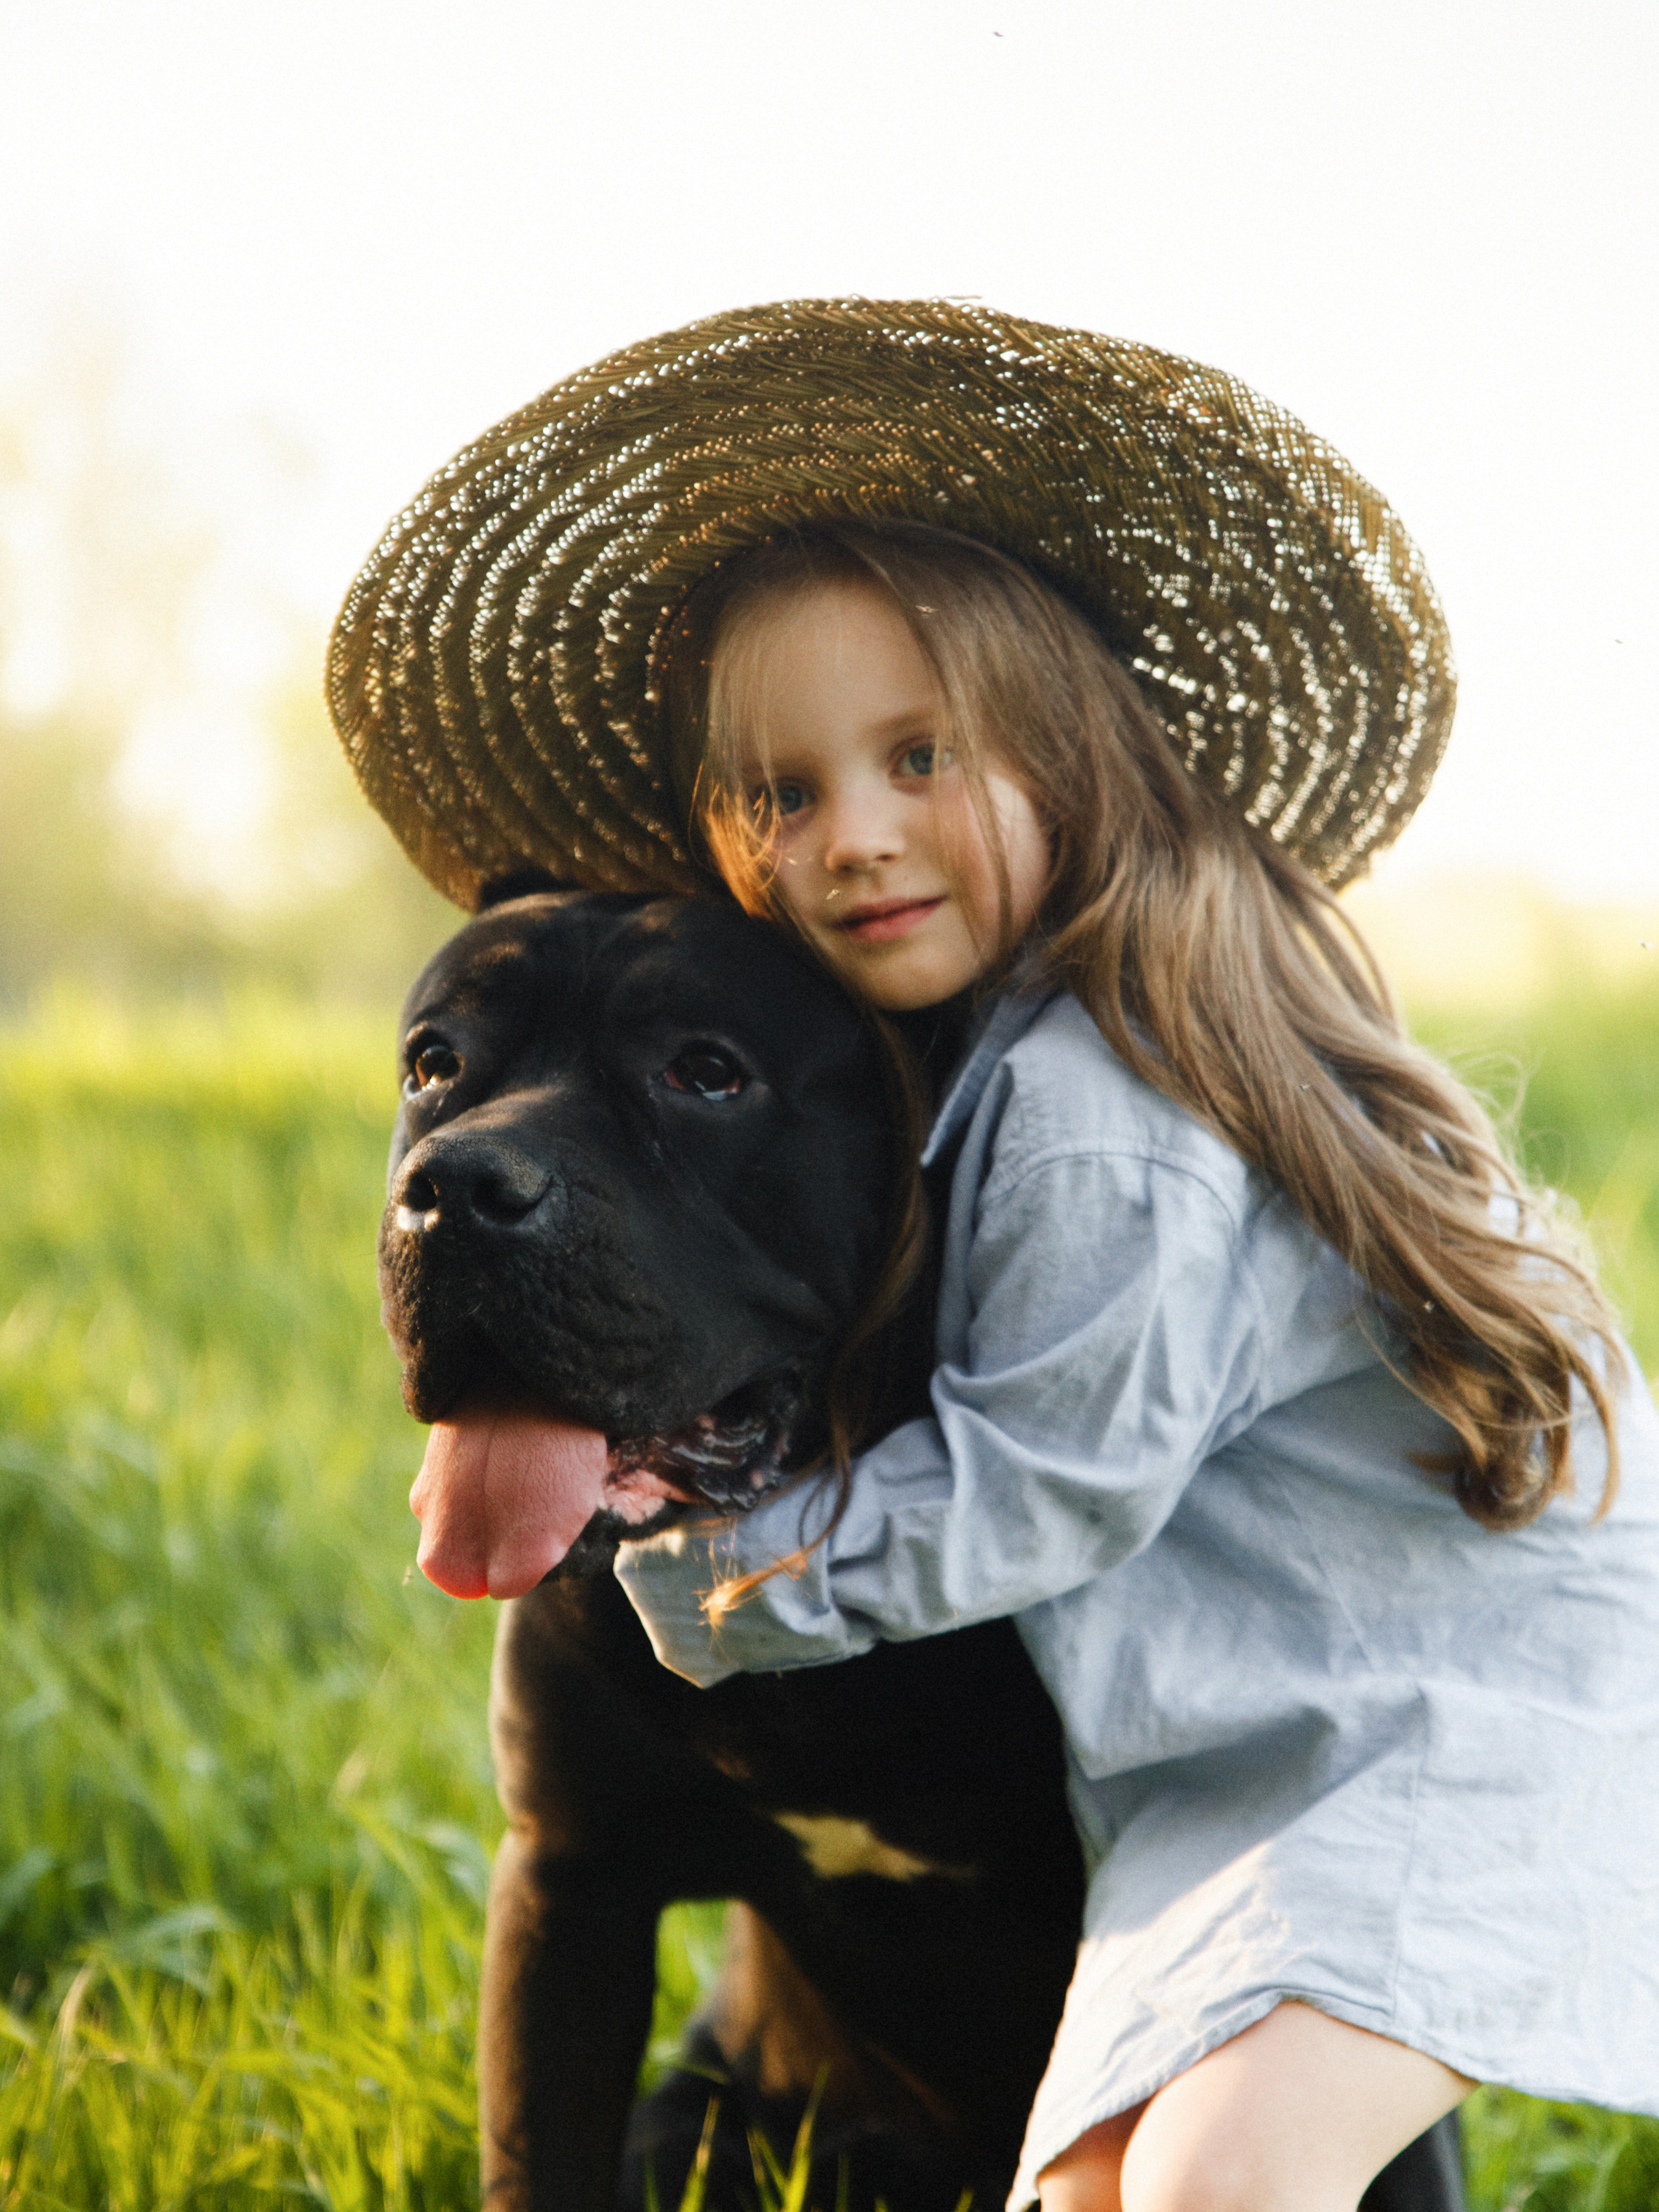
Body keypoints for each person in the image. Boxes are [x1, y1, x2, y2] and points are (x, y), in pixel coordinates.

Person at [327, 299, 1659, 2212]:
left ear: (1069, 752)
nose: (854, 836)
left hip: (1417, 1735)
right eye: (788, 793)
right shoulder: (965, 1050)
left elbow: (1046, 1490)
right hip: (1232, 1738)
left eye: (920, 758)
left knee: (1230, 2180)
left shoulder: (1105, 1118)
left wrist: (716, 1584)